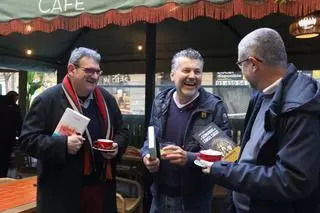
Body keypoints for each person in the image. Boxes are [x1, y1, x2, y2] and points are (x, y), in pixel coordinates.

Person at [201, 28, 320, 213]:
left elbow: (291, 181)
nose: (241, 71)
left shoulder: (299, 106)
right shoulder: (262, 95)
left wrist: (225, 171)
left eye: (240, 64)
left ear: (253, 64)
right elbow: (254, 155)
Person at [20, 47, 129, 213]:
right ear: (71, 69)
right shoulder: (47, 100)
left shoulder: (107, 99)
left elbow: (122, 131)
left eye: (98, 71)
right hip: (61, 193)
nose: (95, 76)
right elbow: (27, 141)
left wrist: (116, 147)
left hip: (100, 188)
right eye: (89, 71)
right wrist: (62, 144)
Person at [141, 48, 231, 213]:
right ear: (173, 74)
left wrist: (188, 159)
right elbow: (150, 140)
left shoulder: (213, 107)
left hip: (194, 202)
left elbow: (226, 156)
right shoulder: (160, 102)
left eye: (197, 71)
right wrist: (147, 155)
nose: (192, 76)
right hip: (159, 197)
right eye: (186, 70)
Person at [0, 91, 22, 177]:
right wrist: (20, 134)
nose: (16, 101)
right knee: (4, 160)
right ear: (13, 98)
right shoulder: (14, 108)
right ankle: (2, 178)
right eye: (16, 99)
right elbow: (19, 124)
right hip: (7, 139)